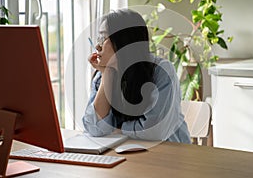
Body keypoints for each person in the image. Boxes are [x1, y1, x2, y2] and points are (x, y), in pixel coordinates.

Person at [82, 9, 191, 144]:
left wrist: (119, 129)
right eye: (98, 38)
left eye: (103, 38)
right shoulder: (103, 74)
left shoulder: (161, 71)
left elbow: (155, 130)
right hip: (128, 151)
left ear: (123, 41)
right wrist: (106, 75)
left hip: (170, 152)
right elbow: (94, 128)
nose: (97, 46)